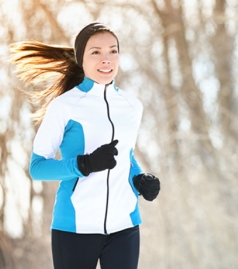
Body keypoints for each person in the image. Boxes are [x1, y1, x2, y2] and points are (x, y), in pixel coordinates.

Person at [10, 22, 160, 269]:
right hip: (75, 228)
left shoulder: (132, 106)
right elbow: (37, 167)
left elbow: (126, 156)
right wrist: (85, 164)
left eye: (113, 51)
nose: (106, 59)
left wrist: (140, 179)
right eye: (96, 52)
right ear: (81, 59)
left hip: (125, 225)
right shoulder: (65, 106)